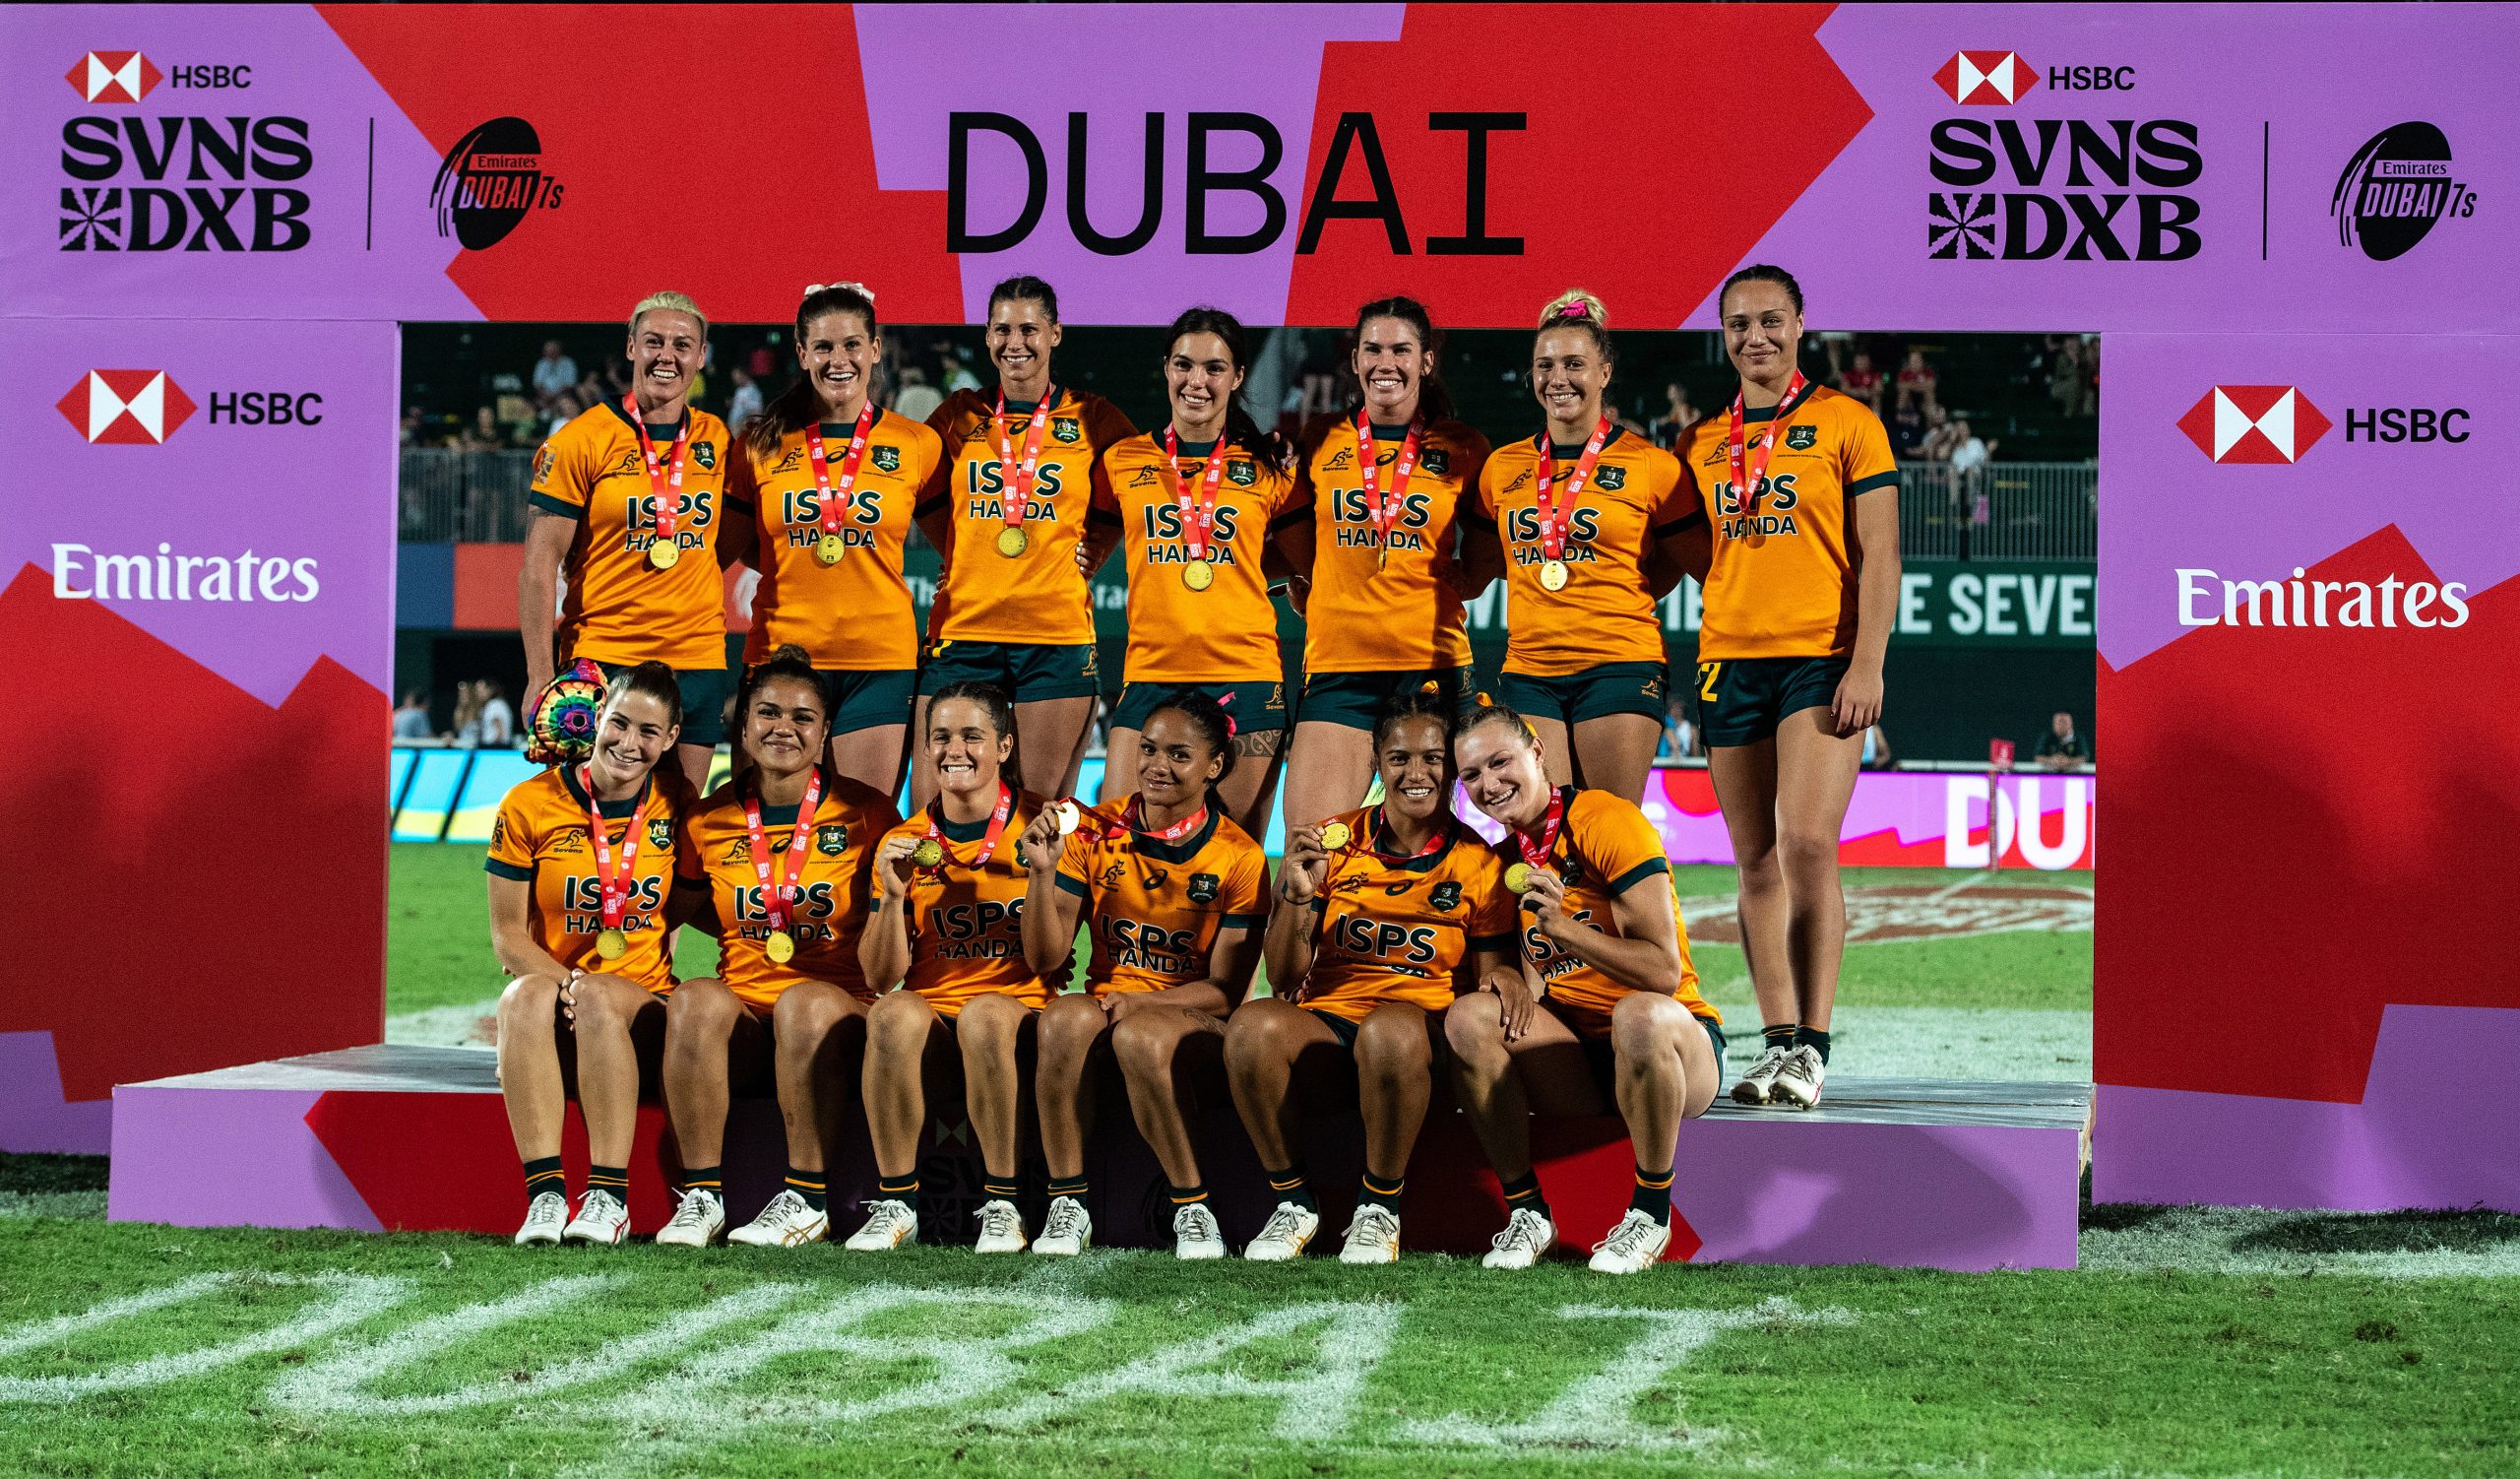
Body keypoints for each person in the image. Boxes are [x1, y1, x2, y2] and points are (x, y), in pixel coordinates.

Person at [1676, 265, 1900, 1114]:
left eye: (1771, 319)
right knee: (1754, 860)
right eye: (1738, 323)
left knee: (1806, 843)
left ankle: (1813, 1044)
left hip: (1822, 658)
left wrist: (1868, 661)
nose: (1755, 337)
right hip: (1727, 660)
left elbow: (1881, 552)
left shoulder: (1850, 423)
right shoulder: (1700, 440)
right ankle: (1773, 1042)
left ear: (1802, 323)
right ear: (1722, 334)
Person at [1226, 686, 1518, 1263]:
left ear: (1453, 767)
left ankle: (1378, 1208)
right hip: (1331, 1030)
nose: (1416, 773)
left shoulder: (1483, 862)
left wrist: (1508, 979)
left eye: (1433, 759)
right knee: (1252, 1026)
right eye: (1399, 759)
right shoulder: (1332, 843)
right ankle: (1292, 1202)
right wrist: (1297, 895)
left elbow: (1487, 985)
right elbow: (1284, 977)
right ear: (1376, 764)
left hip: (1417, 1044)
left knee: (1390, 1029)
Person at [1448, 702, 1724, 1272]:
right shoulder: (1506, 859)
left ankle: (1650, 1213)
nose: (1489, 784)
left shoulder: (1605, 820)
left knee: (1638, 1016)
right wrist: (1501, 976)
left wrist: (1565, 929)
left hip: (1671, 1044)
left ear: (1537, 753)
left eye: (1500, 762)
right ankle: (1527, 1211)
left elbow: (1662, 973)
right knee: (1468, 1019)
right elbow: (1507, 972)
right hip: (1580, 1053)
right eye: (1471, 775)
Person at [654, 648, 899, 1248]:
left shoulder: (868, 813)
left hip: (837, 1011)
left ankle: (806, 1198)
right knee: (692, 1000)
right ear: (743, 728)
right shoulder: (707, 820)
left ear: (824, 735)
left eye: (803, 717)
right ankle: (702, 1197)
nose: (783, 728)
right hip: (746, 1013)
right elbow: (669, 913)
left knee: (804, 1004)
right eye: (767, 713)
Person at [1016, 692, 1270, 1257]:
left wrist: (1143, 1006)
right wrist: (1041, 873)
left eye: (1180, 755)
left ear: (1215, 767)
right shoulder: (1092, 831)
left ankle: (1191, 1205)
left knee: (1139, 1034)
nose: (1158, 765)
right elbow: (1046, 959)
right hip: (1106, 1005)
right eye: (1150, 749)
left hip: (1189, 1019)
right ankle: (1067, 1203)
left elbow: (1225, 994)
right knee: (1061, 1020)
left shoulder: (1241, 856)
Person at [847, 681, 1058, 1253]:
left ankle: (1003, 1203)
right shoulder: (903, 840)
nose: (954, 750)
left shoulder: (1045, 828)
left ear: (1005, 747)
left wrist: (1041, 876)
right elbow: (878, 977)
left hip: (1023, 1016)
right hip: (938, 1020)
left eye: (973, 736)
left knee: (987, 1015)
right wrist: (892, 897)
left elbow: (1048, 959)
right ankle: (896, 1202)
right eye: (940, 737)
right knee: (890, 1013)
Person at [486, 664, 692, 1247]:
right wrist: (570, 985)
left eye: (649, 733)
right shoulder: (529, 804)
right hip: (559, 991)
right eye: (619, 723)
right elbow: (507, 937)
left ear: (671, 739)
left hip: (643, 1004)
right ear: (597, 717)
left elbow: (698, 902)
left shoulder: (677, 804)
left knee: (600, 994)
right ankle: (547, 1198)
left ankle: (608, 1197)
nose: (630, 743)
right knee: (521, 993)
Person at [914, 276, 1137, 808]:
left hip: (1055, 639)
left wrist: (1100, 545)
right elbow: (913, 490)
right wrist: (959, 549)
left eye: (1030, 329)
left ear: (1056, 334)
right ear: (987, 338)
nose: (1016, 342)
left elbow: (1151, 480)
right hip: (963, 632)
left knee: (1039, 814)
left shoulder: (1095, 418)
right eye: (1003, 329)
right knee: (930, 812)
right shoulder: (957, 416)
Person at [1465, 289, 1694, 805]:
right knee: (1548, 832)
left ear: (1605, 372)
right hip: (1530, 671)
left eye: (1575, 364)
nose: (1558, 378)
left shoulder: (1653, 465)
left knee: (1607, 830)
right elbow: (1482, 566)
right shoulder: (1501, 467)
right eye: (1544, 365)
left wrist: (1626, 588)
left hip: (1619, 664)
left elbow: (1688, 560)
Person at [722, 283, 946, 799]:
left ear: (875, 349)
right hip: (782, 657)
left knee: (864, 834)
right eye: (822, 347)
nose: (837, 359)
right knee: (766, 827)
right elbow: (727, 549)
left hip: (879, 662)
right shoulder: (760, 443)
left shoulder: (917, 443)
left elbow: (962, 541)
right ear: (802, 354)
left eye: (851, 345)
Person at [1279, 297, 1495, 829]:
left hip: (1433, 666)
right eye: (1372, 349)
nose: (1385, 363)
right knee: (1311, 852)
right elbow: (1290, 532)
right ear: (1354, 360)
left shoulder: (1464, 446)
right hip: (1339, 665)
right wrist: (1315, 580)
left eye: (1401, 350)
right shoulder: (1317, 438)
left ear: (1425, 362)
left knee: (1432, 852)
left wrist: (1466, 580)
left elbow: (1489, 550)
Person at [1093, 307, 1308, 835]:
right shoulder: (1122, 460)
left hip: (1246, 675)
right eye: (1184, 365)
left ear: (1236, 377)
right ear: (1166, 368)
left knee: (1236, 849)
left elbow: (1309, 560)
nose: (1197, 381)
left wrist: (1275, 579)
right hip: (1152, 674)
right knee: (1118, 844)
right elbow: (1078, 540)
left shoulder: (1271, 466)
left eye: (1214, 368)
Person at [522, 290, 734, 794]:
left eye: (683, 345)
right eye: (654, 342)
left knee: (674, 832)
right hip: (605, 655)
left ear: (700, 357)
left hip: (696, 659)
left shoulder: (718, 439)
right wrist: (538, 674)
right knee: (594, 822)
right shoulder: (581, 439)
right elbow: (538, 563)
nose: (668, 356)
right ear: (631, 348)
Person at [532, 340, 580, 407]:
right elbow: (537, 384)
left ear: (558, 350)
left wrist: (554, 395)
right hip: (545, 396)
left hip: (563, 396)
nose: (547, 353)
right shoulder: (542, 363)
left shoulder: (568, 363)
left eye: (551, 350)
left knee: (564, 402)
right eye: (546, 351)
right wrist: (545, 395)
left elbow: (570, 384)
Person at [1838, 350, 1884, 414]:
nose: (1862, 363)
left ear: (1869, 361)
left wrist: (1869, 392)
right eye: (1859, 361)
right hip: (1854, 396)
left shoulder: (1875, 373)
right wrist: (1856, 391)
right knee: (1845, 397)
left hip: (1869, 396)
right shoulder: (1849, 373)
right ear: (1855, 361)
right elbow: (1844, 389)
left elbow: (1879, 389)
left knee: (1876, 398)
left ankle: (1876, 418)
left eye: (1864, 360)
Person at [476, 680, 517, 748]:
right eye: (477, 692)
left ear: (490, 690)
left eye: (481, 691)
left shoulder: (494, 705)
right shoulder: (497, 703)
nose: (479, 695)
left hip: (495, 748)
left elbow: (499, 731)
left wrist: (493, 747)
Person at [724, 365, 764, 434]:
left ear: (743, 375)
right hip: (733, 427)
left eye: (736, 376)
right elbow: (740, 405)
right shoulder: (739, 390)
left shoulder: (753, 391)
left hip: (741, 429)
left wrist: (741, 424)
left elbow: (755, 412)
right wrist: (732, 403)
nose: (734, 379)